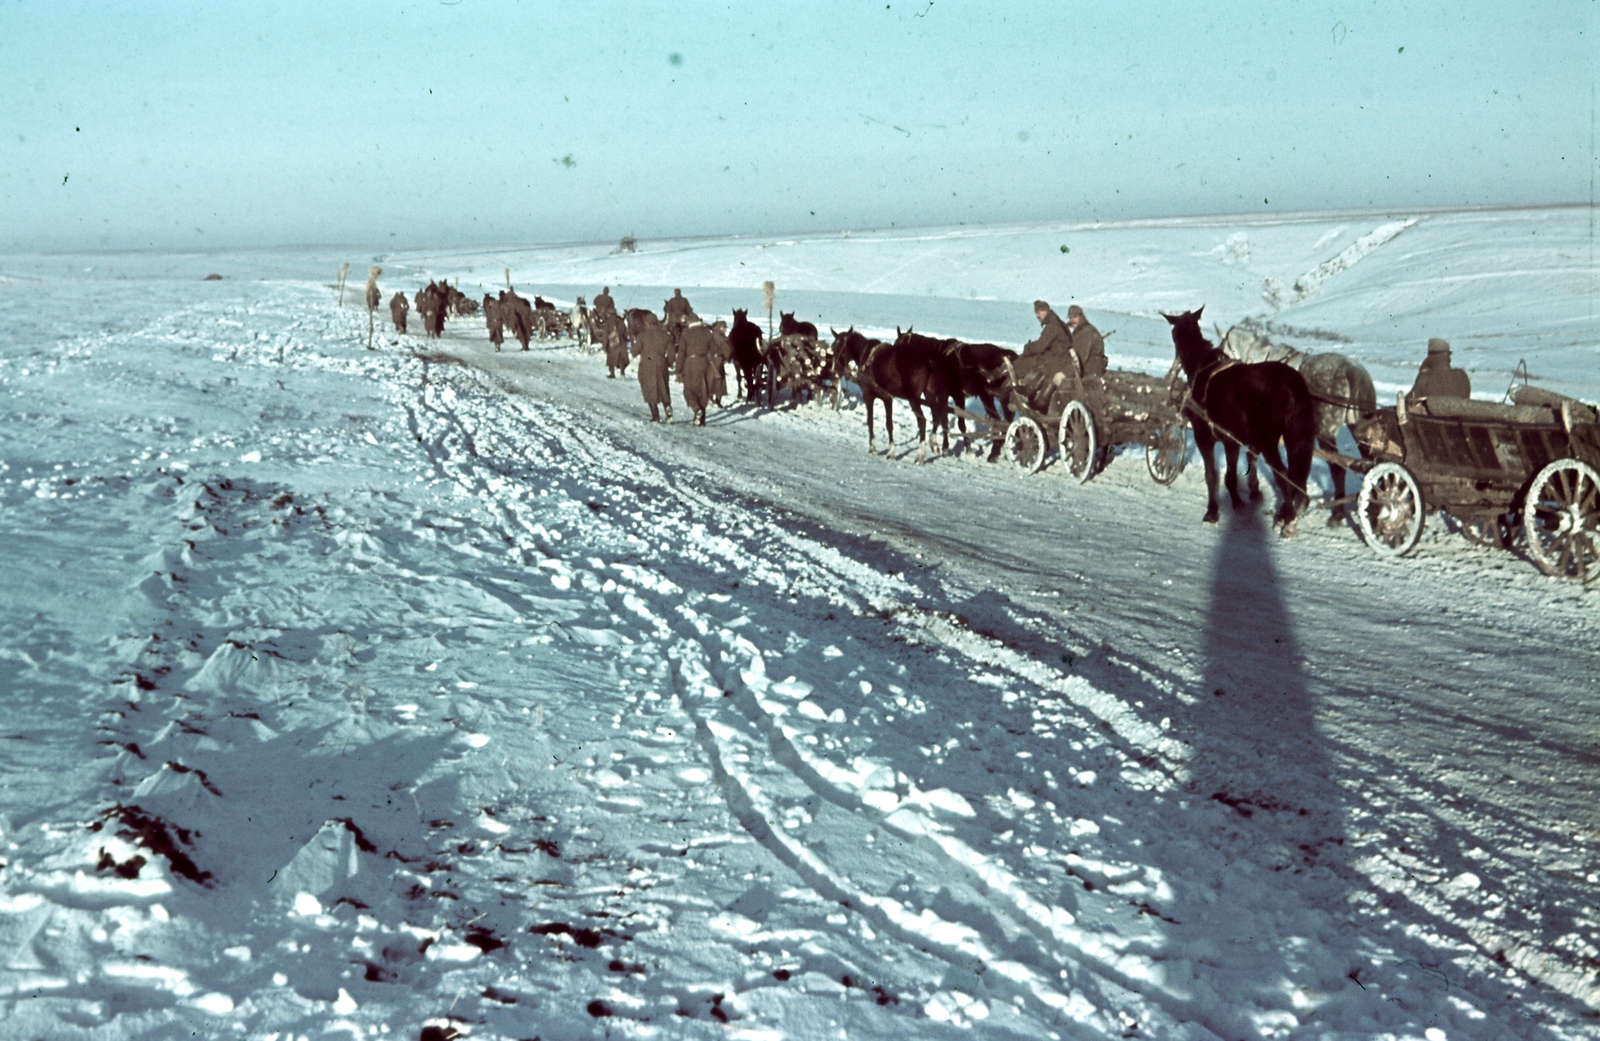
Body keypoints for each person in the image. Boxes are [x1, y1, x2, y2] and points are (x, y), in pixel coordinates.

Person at [633, 313, 673, 421]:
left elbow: (634, 352)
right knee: (663, 387)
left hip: (647, 364)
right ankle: (667, 407)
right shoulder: (666, 335)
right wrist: (667, 363)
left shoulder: (643, 335)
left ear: (646, 322)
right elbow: (671, 353)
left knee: (649, 389)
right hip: (661, 364)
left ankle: (655, 415)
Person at [675, 318, 715, 426]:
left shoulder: (686, 333)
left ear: (690, 322)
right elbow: (714, 349)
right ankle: (701, 420)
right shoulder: (707, 332)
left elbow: (681, 353)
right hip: (704, 363)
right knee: (703, 390)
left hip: (690, 364)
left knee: (688, 389)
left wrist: (678, 370)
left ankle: (696, 409)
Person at [1065, 304, 1107, 378]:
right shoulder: (1082, 330)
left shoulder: (1086, 332)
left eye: (1075, 317)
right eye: (1070, 317)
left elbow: (1081, 357)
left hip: (1091, 372)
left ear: (1081, 317)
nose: (1072, 320)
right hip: (1091, 370)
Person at [708, 319, 732, 405]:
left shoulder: (711, 335)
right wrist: (729, 357)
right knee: (719, 380)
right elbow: (727, 350)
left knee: (711, 379)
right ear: (721, 328)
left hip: (710, 359)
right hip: (718, 360)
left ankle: (710, 397)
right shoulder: (722, 338)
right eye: (724, 328)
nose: (725, 329)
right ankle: (717, 400)